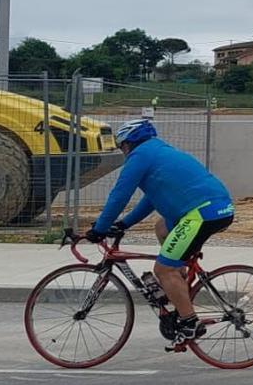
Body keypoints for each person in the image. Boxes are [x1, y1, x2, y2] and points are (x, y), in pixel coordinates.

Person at [85, 119, 236, 347]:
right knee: (162, 227)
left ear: (130, 142)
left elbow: (119, 195)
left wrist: (99, 229)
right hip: (214, 208)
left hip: (202, 214)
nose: (122, 151)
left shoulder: (141, 155)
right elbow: (151, 199)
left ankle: (189, 322)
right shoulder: (158, 150)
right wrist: (125, 223)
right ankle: (179, 282)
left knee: (163, 269)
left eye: (121, 146)